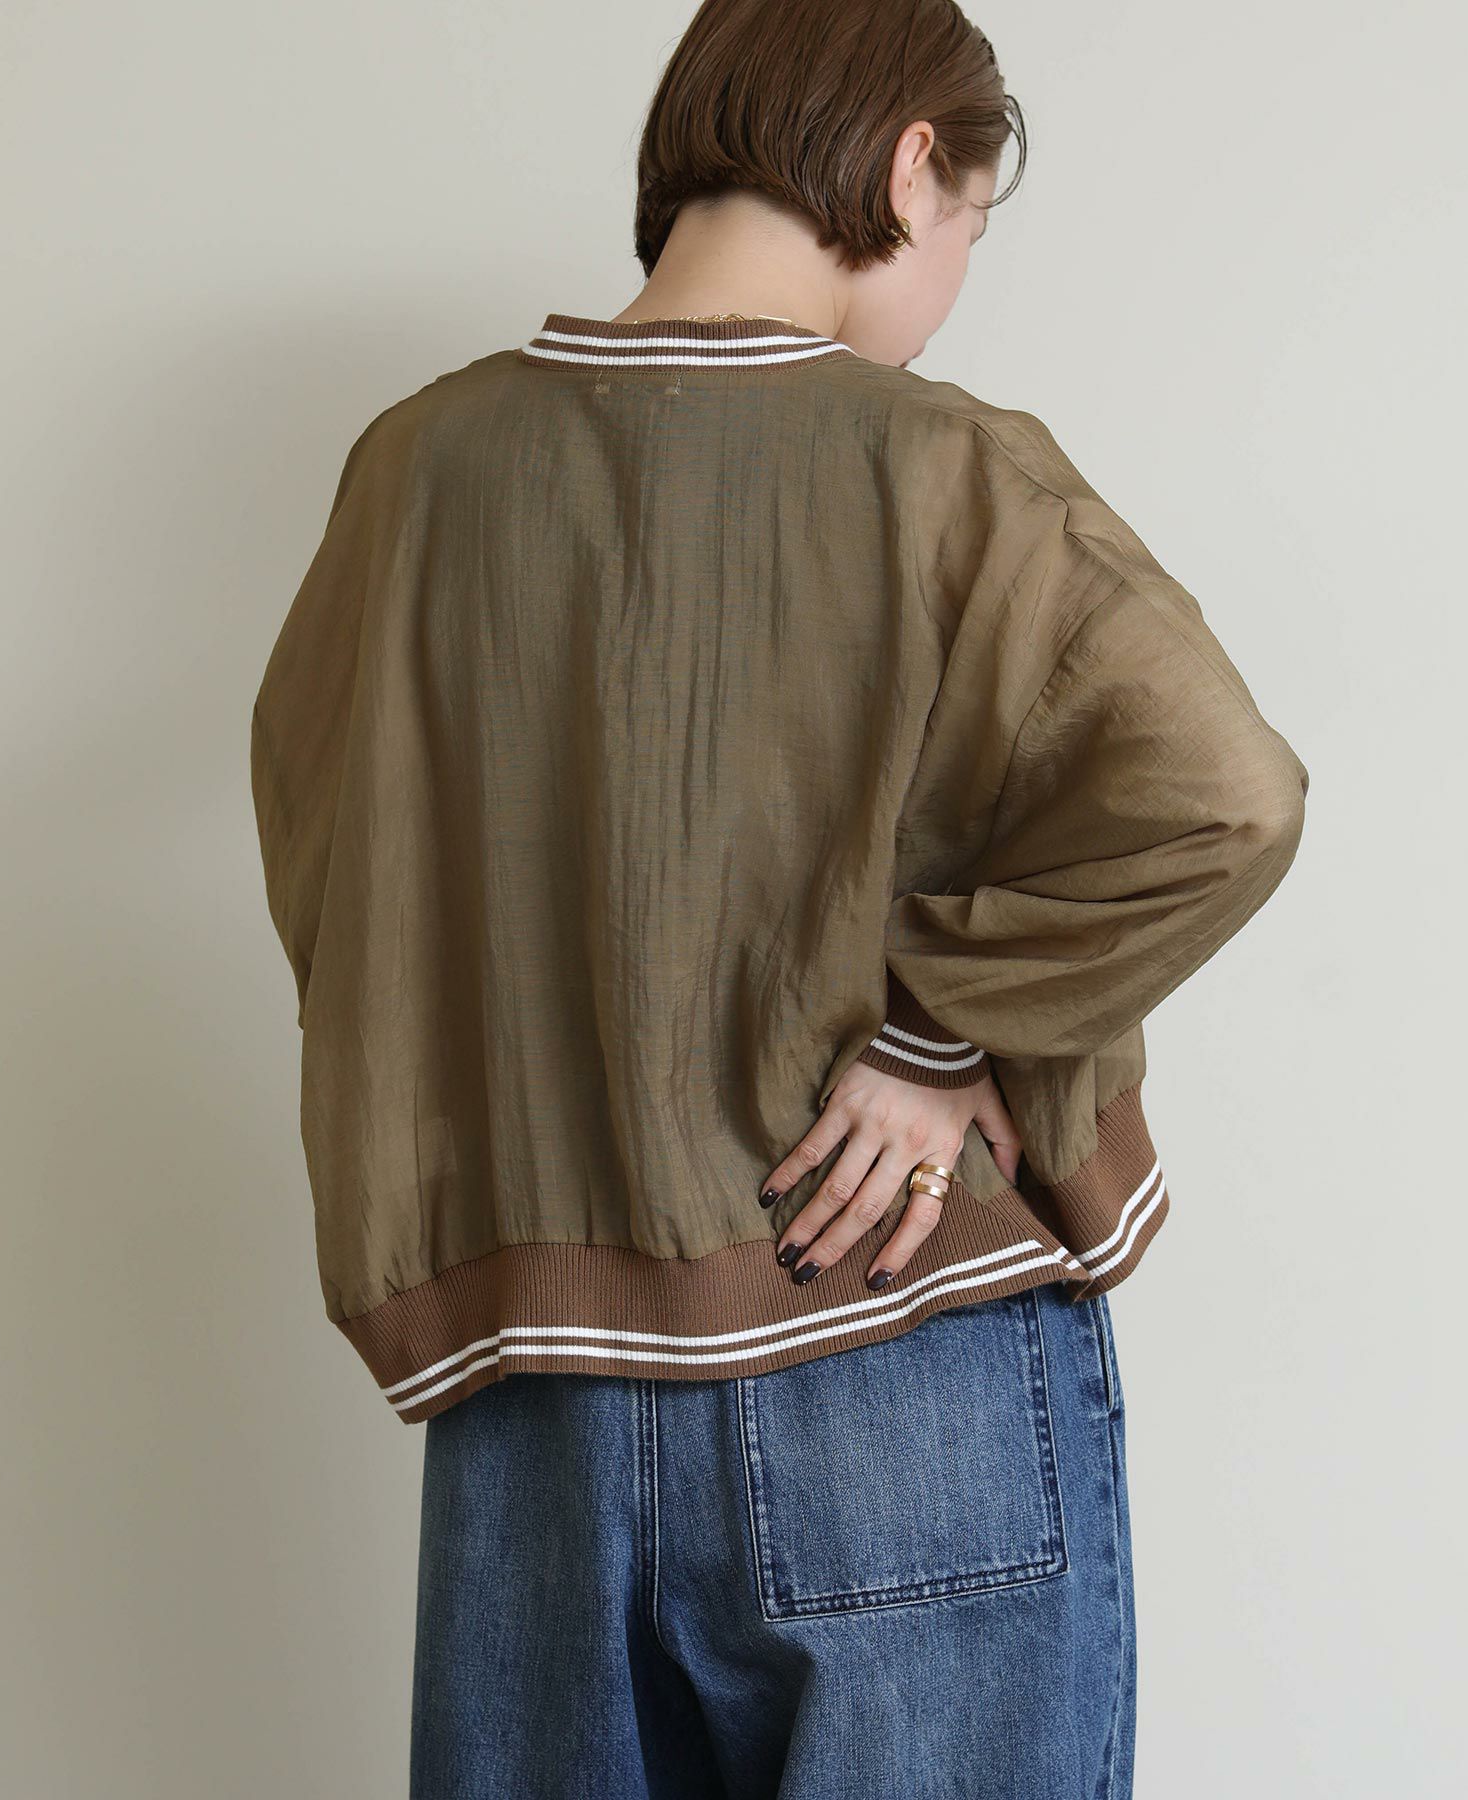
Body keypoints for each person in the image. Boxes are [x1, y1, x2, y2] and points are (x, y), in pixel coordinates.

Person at [248, 2, 1309, 1793]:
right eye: (968, 228)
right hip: (902, 1349)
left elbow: (329, 861)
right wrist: (940, 1031)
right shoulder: (945, 467)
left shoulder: (415, 474)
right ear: (910, 166)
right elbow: (1228, 793)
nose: (950, 289)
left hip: (538, 1405)